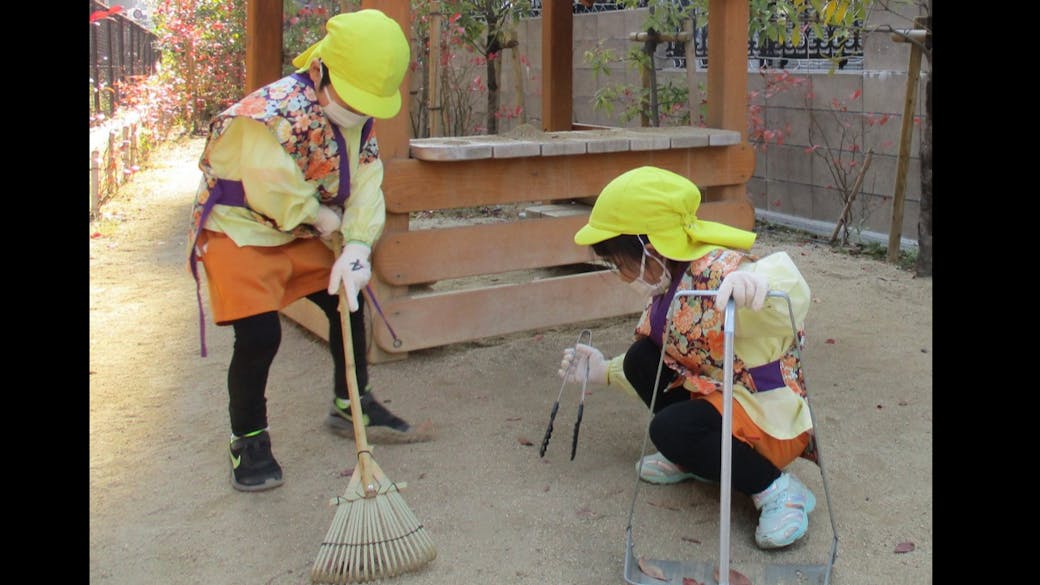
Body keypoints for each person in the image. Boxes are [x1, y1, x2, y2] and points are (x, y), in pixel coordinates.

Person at [186, 9, 423, 493]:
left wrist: (357, 246)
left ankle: (350, 402)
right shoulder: (268, 113)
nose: (358, 112)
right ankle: (248, 438)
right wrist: (319, 218)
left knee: (347, 306)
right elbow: (270, 188)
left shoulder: (359, 116)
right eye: (351, 99)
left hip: (302, 230)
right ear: (320, 71)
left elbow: (367, 181)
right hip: (242, 230)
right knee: (258, 336)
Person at [557, 166, 817, 549]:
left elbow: (787, 287)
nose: (621, 273)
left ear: (649, 247)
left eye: (620, 261)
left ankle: (776, 489)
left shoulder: (719, 271)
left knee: (669, 429)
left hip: (764, 414)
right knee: (641, 359)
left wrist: (759, 286)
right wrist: (603, 372)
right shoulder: (669, 277)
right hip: (718, 394)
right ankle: (693, 456)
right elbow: (672, 357)